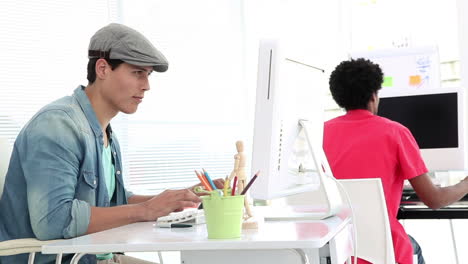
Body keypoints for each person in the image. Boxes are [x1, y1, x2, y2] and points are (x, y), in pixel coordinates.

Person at [0, 23, 223, 264]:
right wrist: (146, 210)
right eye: (137, 72)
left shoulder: (104, 132)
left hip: (95, 257)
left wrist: (177, 198)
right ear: (103, 68)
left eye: (148, 75)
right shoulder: (58, 125)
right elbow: (53, 221)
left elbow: (113, 203)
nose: (146, 85)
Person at [323, 58, 468, 264]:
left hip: (337, 251)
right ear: (373, 96)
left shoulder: (320, 135)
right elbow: (435, 200)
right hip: (385, 252)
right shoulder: (395, 132)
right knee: (413, 246)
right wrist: (465, 183)